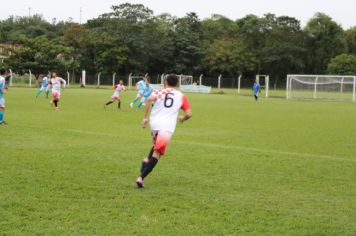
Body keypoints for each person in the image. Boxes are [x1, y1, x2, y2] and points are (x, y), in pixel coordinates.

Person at [136, 74, 193, 188]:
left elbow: (148, 99)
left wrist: (145, 117)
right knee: (158, 154)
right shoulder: (181, 96)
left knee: (155, 146)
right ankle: (141, 178)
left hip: (155, 124)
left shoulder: (159, 92)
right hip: (166, 127)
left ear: (165, 82)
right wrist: (183, 118)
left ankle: (146, 159)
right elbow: (189, 114)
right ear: (178, 84)